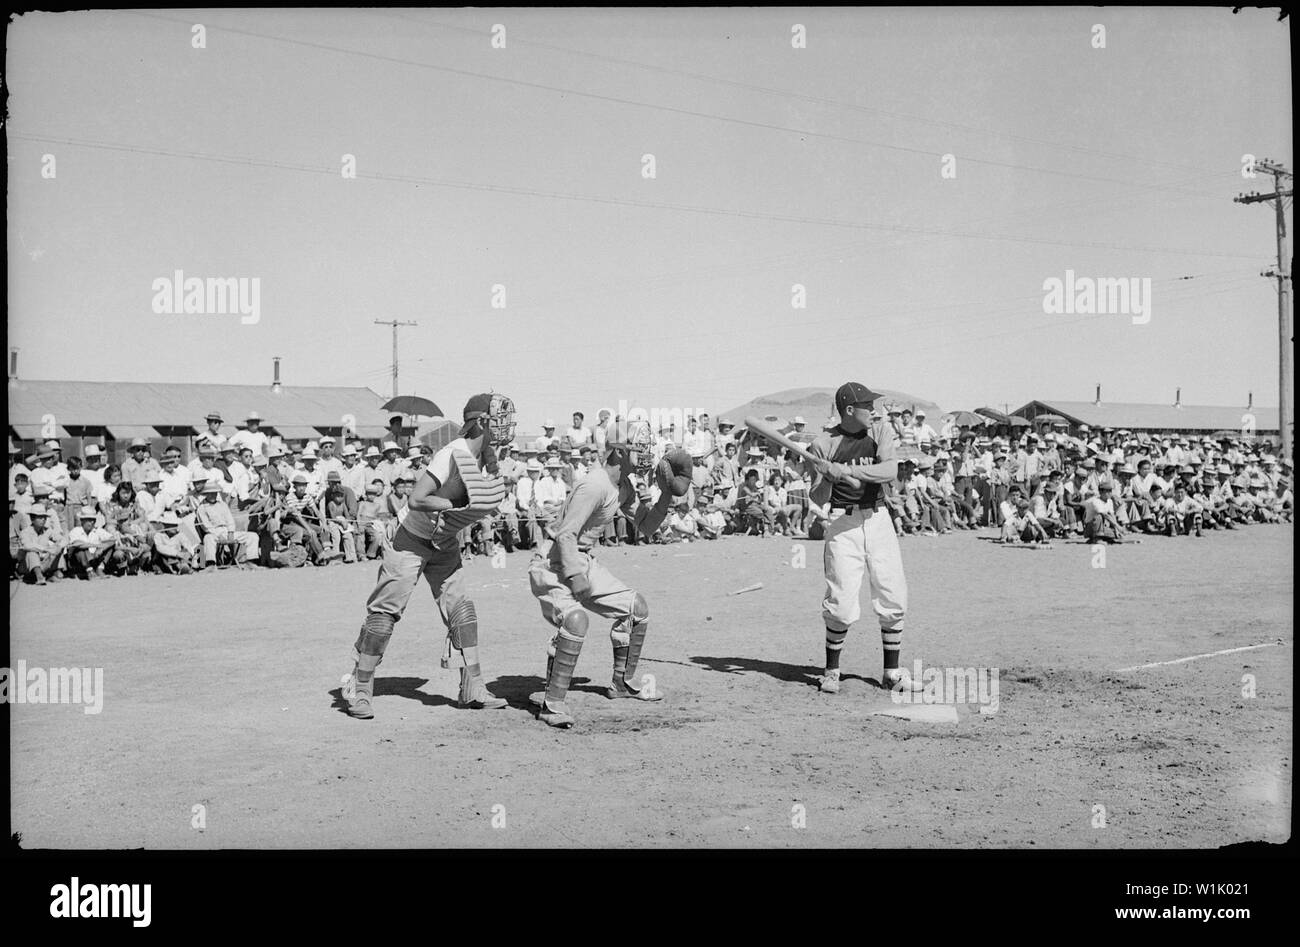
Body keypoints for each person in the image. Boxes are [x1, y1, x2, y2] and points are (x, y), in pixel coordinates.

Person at [342, 393, 517, 720]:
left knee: (462, 611)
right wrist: (455, 507)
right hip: (411, 539)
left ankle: (472, 686)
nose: (505, 425)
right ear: (480, 422)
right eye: (499, 417)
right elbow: (419, 498)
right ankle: (360, 686)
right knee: (385, 615)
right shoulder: (453, 453)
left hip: (444, 541)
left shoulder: (487, 457)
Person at [525, 420, 690, 728]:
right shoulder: (595, 484)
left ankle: (623, 683)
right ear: (617, 451)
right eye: (638, 448)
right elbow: (565, 535)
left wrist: (667, 496)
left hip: (581, 559)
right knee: (576, 621)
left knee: (636, 609)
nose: (645, 454)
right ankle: (553, 703)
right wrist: (575, 577)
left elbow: (646, 526)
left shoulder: (622, 486)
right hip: (553, 563)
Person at [802, 382, 921, 696]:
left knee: (893, 595)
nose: (875, 410)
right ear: (850, 410)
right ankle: (831, 671)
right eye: (868, 406)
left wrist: (844, 471)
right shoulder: (823, 444)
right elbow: (818, 495)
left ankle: (892, 673)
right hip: (843, 522)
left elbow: (889, 470)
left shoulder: (880, 433)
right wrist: (827, 475)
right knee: (841, 603)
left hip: (879, 518)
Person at [65, 506, 118, 579]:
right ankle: (89, 571)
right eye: (89, 520)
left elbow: (112, 539)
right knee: (80, 549)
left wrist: (102, 548)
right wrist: (97, 545)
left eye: (93, 520)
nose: (92, 522)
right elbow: (77, 543)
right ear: (82, 520)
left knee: (110, 545)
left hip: (93, 558)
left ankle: (99, 569)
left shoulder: (97, 530)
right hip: (78, 561)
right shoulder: (75, 531)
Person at [17, 504, 65, 583]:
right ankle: (39, 576)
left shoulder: (47, 530)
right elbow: (27, 545)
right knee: (32, 552)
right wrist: (46, 549)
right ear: (32, 519)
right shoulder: (25, 532)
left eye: (44, 517)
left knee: (57, 547)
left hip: (43, 562)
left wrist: (59, 546)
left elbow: (61, 538)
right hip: (27, 566)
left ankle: (52, 572)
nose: (43, 519)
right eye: (40, 517)